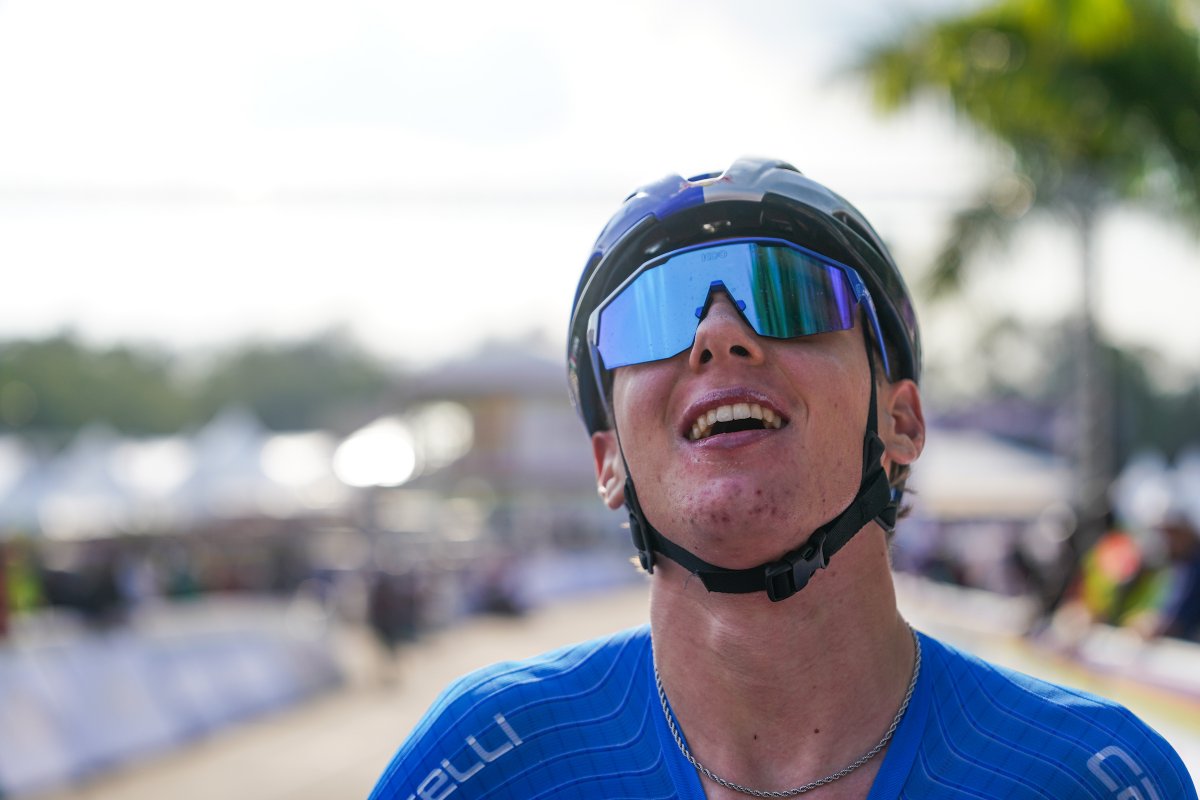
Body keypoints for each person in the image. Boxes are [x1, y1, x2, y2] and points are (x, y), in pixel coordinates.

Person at [369, 158, 1196, 799]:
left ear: (902, 424)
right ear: (607, 461)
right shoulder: (482, 761)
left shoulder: (1096, 776)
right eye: (653, 313)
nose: (720, 335)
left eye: (791, 296)